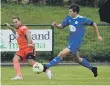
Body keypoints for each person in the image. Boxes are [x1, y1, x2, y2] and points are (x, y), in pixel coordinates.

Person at [43, 4, 103, 77]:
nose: (69, 13)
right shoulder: (68, 18)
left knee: (62, 53)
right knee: (77, 59)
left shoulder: (82, 19)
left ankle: (45, 67)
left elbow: (93, 23)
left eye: (70, 11)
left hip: (77, 42)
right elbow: (62, 26)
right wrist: (56, 25)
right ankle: (93, 68)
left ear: (75, 12)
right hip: (71, 41)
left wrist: (98, 35)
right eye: (69, 11)